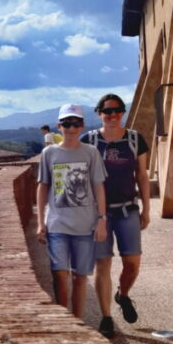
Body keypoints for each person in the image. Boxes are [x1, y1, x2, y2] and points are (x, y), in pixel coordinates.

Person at [81, 94, 151, 338]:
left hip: (127, 209)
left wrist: (147, 209)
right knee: (103, 264)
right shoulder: (88, 141)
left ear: (122, 112)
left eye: (118, 110)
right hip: (99, 214)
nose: (113, 115)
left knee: (132, 263)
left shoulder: (134, 139)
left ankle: (123, 294)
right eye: (107, 111)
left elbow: (142, 175)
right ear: (99, 113)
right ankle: (106, 317)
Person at [37, 104, 107, 324]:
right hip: (57, 224)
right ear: (59, 126)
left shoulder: (91, 152)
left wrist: (102, 220)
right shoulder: (49, 153)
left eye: (76, 123)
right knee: (59, 273)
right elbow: (42, 187)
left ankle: (77, 322)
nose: (71, 127)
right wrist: (41, 222)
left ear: (82, 126)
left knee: (80, 276)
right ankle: (62, 320)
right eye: (67, 123)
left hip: (85, 225)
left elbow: (98, 187)